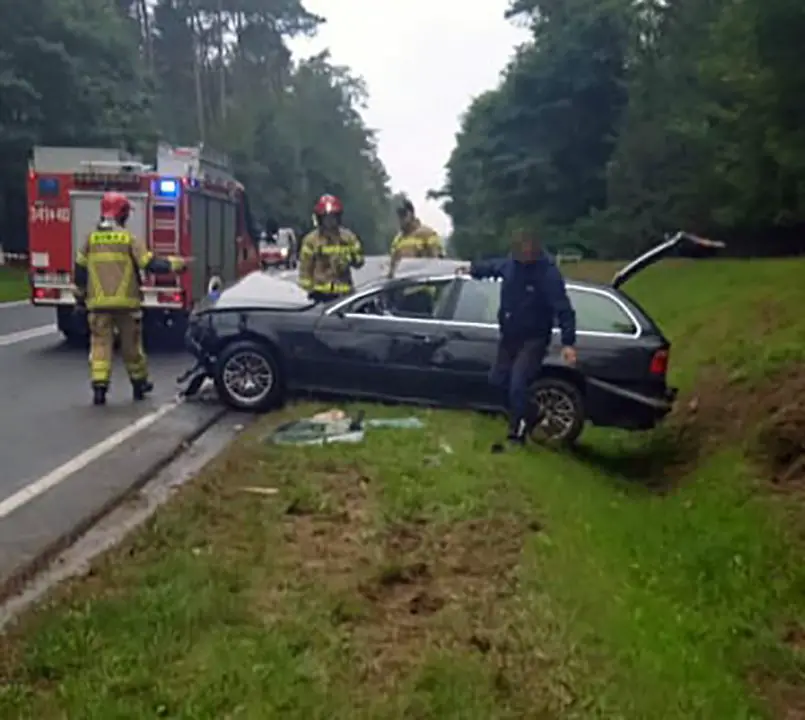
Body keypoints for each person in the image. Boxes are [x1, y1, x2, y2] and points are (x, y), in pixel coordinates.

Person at [463, 229, 577, 447]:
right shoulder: (511, 265)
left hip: (534, 338)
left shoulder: (548, 274)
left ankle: (517, 433)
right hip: (510, 335)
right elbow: (491, 267)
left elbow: (564, 309)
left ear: (533, 249)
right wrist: (472, 269)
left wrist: (568, 343)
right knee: (498, 381)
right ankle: (532, 412)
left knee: (518, 383)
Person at [73, 191, 187, 406]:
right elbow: (149, 264)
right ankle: (139, 384)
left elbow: (79, 270)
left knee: (99, 345)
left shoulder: (90, 239)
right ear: (121, 213)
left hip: (98, 304)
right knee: (131, 346)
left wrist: (80, 297)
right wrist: (175, 264)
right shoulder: (129, 238)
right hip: (127, 303)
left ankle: (100, 389)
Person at [298, 194, 364, 302]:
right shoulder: (311, 240)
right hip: (319, 296)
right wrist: (306, 293)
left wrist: (348, 259)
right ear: (320, 219)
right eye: (326, 218)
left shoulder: (348, 238)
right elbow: (305, 270)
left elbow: (360, 261)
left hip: (344, 294)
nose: (330, 221)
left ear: (338, 218)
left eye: (333, 217)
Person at [387, 198, 444, 279]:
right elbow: (392, 265)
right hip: (402, 286)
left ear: (412, 214)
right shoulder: (398, 239)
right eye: (399, 215)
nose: (401, 219)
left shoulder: (428, 234)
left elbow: (437, 262)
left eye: (404, 214)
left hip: (423, 285)